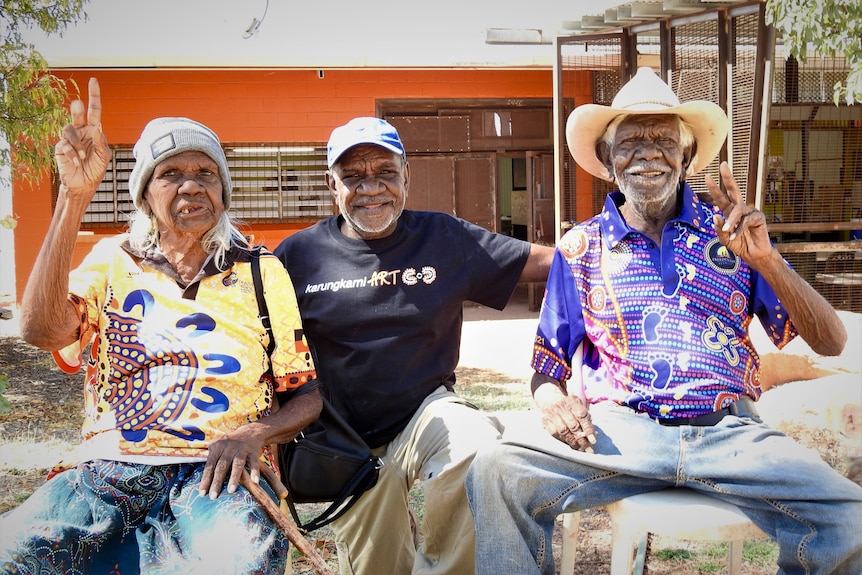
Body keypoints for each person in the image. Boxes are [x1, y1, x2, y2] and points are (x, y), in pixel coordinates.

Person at [465, 67, 862, 575]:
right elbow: (547, 366)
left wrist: (766, 261)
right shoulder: (581, 248)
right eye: (630, 142)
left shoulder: (734, 236)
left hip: (731, 435)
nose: (648, 153)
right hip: (621, 434)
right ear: (608, 161)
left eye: (664, 141)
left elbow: (832, 341)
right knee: (497, 470)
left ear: (687, 156)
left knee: (850, 518)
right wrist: (553, 403)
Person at [0, 78, 321, 575]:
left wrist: (254, 434)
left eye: (206, 174)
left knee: (237, 561)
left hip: (219, 472)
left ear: (222, 191)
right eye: (170, 173)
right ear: (146, 195)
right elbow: (41, 330)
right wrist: (73, 196)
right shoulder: (111, 261)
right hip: (110, 466)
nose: (191, 185)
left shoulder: (261, 270)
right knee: (16, 554)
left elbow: (306, 395)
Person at [273, 116, 555, 575]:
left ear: (407, 176)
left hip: (427, 410)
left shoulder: (444, 238)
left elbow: (545, 263)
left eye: (385, 172)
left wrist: (619, 247)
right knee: (378, 567)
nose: (371, 188)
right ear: (332, 184)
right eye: (354, 176)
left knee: (478, 449)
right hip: (347, 440)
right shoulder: (297, 256)